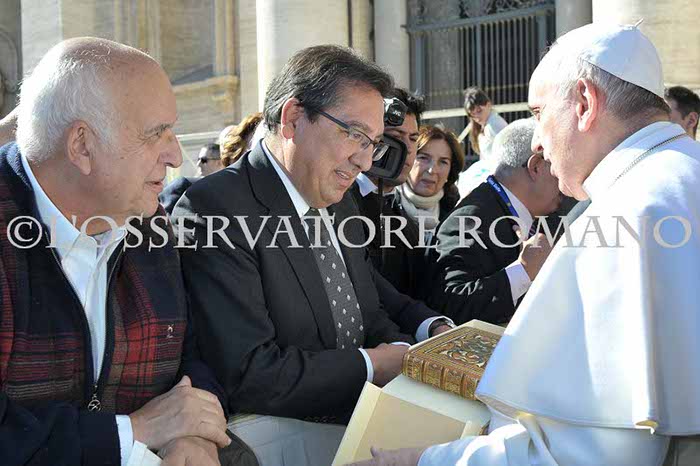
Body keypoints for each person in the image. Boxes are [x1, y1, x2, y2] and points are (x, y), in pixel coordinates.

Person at [355, 22, 700, 466]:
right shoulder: (679, 177)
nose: (536, 141)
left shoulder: (627, 214)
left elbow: (585, 455)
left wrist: (417, 461)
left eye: (539, 113)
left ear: (584, 103)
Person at [172, 45, 452, 435]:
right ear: (293, 118)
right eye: (354, 134)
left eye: (372, 143)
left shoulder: (341, 200)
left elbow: (367, 314)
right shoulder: (213, 209)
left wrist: (421, 356)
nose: (365, 161)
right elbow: (251, 373)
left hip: (366, 418)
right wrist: (373, 365)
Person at [0, 37, 240, 466]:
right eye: (156, 134)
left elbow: (194, 352)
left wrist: (193, 434)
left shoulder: (147, 221)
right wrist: (135, 431)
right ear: (82, 145)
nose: (176, 156)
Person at [427, 119, 561, 325]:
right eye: (556, 164)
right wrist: (523, 271)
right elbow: (450, 303)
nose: (562, 175)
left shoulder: (542, 216)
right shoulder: (469, 219)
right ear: (535, 166)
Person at [398, 124, 464, 241]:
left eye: (443, 162)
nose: (432, 170)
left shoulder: (455, 215)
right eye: (423, 158)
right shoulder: (386, 202)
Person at [463, 87, 508, 165]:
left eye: (479, 111)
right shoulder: (487, 125)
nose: (476, 117)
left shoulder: (494, 124)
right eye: (472, 114)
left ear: (488, 105)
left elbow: (506, 152)